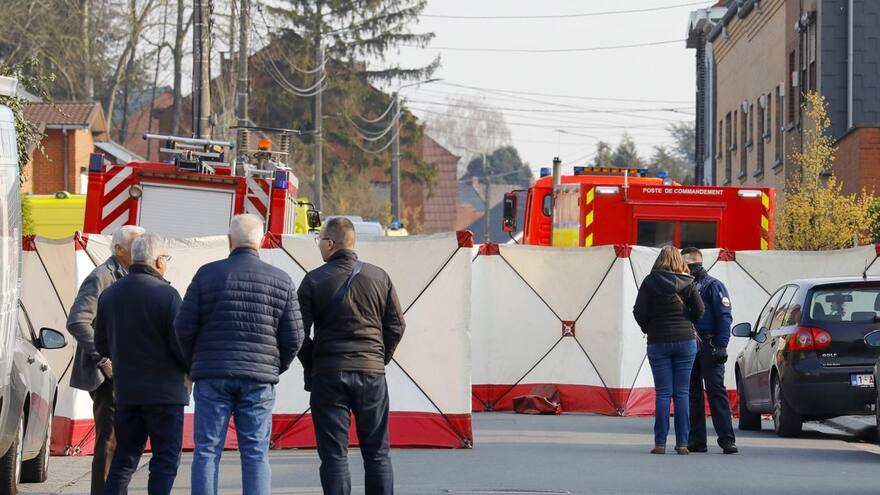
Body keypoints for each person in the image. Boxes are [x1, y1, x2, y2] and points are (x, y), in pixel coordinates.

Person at [175, 214, 304, 495]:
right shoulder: (281, 280)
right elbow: (295, 336)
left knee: (207, 451)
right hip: (259, 379)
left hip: (212, 376)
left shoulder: (205, 274)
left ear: (230, 240)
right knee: (256, 453)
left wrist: (196, 362)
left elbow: (183, 327)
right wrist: (274, 366)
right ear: (261, 241)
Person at [297, 217, 406, 495]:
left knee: (335, 456)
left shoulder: (313, 280)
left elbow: (297, 334)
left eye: (319, 240)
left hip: (329, 374)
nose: (319, 245)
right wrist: (379, 358)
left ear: (330, 244)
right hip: (371, 374)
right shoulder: (379, 277)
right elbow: (396, 326)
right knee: (377, 453)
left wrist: (313, 364)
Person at [94, 234, 189, 494]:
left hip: (126, 393)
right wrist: (192, 370)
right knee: (165, 460)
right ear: (158, 261)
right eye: (166, 258)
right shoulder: (167, 295)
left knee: (124, 460)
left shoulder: (110, 295)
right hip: (166, 395)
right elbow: (180, 345)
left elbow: (100, 346)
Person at [66, 225, 144, 495]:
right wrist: (103, 359)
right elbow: (77, 321)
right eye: (136, 246)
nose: (141, 251)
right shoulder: (102, 277)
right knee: (109, 442)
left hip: (129, 372)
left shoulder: (133, 276)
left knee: (122, 441)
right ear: (119, 249)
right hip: (109, 375)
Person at [633, 246, 704, 455]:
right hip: (685, 341)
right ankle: (682, 444)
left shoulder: (650, 282)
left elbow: (639, 311)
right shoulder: (688, 282)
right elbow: (700, 310)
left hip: (658, 341)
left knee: (663, 393)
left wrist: (649, 327)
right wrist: (686, 322)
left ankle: (660, 444)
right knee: (682, 393)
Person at [681, 247, 738, 454]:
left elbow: (724, 316)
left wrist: (722, 345)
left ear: (695, 264)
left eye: (686, 265)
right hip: (689, 343)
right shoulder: (684, 286)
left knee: (716, 391)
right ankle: (697, 440)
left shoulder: (713, 286)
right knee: (692, 393)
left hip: (709, 342)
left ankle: (727, 440)